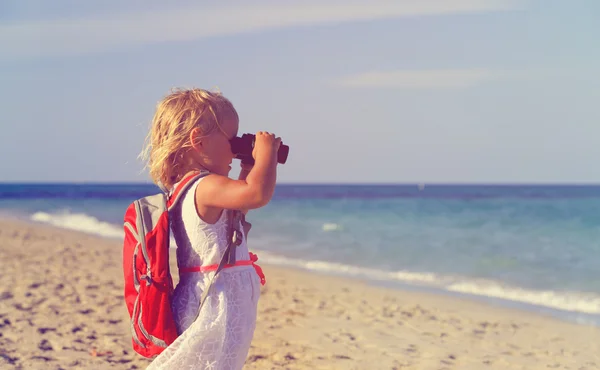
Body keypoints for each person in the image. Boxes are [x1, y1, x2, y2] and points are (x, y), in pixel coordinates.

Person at [140, 88, 281, 369]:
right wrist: (267, 155)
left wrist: (247, 170)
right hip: (214, 300)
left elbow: (237, 210)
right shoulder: (204, 185)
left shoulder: (196, 187)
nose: (237, 146)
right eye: (232, 138)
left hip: (219, 297)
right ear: (199, 142)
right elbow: (256, 195)